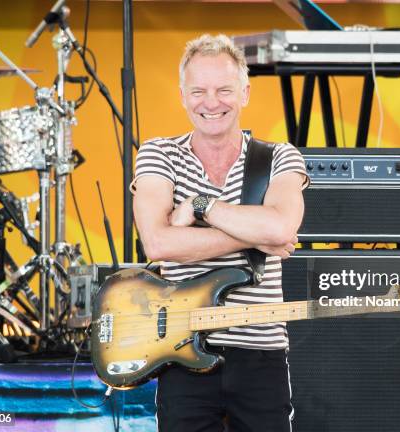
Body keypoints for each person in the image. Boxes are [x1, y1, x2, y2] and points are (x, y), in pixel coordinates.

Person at [130, 34, 309, 432]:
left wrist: (200, 207)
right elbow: (158, 243)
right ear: (182, 95)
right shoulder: (159, 154)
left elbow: (281, 226)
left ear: (245, 92)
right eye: (199, 91)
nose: (212, 103)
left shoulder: (279, 156)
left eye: (224, 90)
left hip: (261, 354)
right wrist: (256, 234)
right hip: (181, 352)